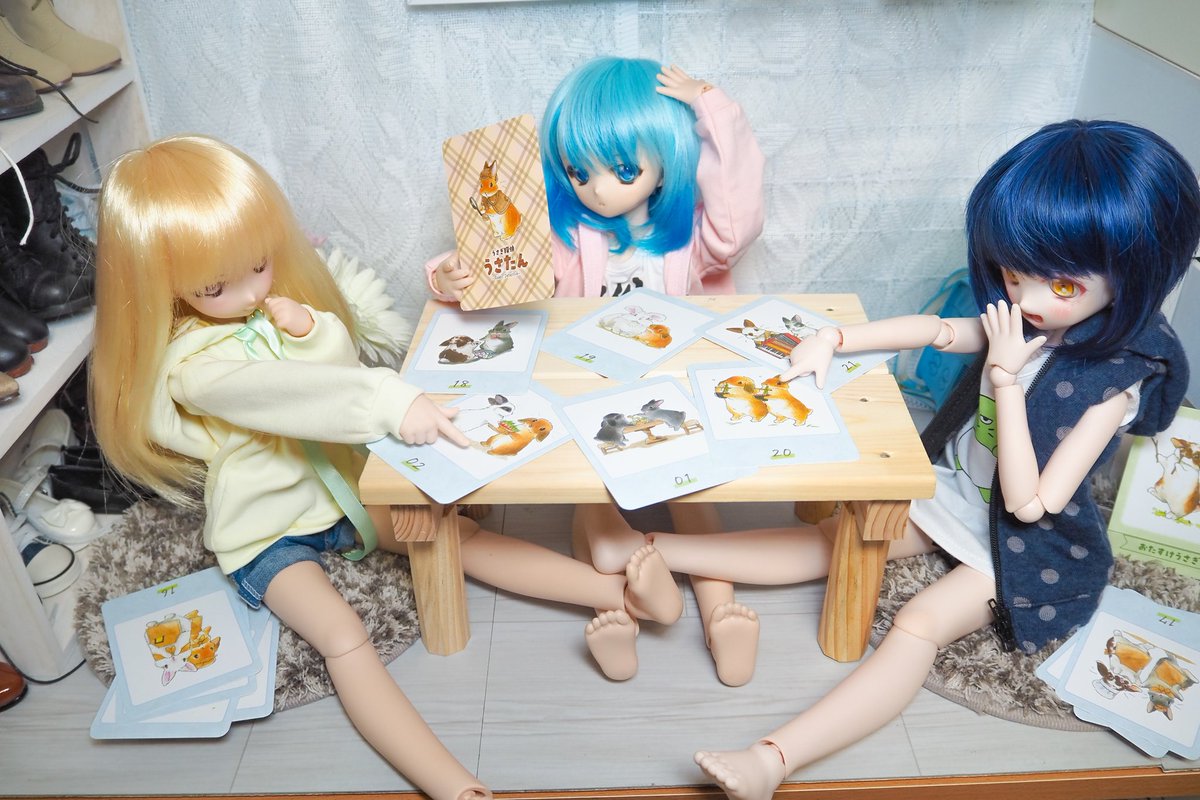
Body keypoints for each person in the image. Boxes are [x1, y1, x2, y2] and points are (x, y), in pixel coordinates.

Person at [89, 135, 685, 800]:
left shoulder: (264, 313)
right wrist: (390, 403)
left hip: (343, 492)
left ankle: (621, 597)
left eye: (259, 264)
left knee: (454, 536)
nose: (253, 289)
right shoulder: (194, 368)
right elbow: (289, 396)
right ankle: (451, 784)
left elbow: (333, 365)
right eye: (216, 285)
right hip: (267, 529)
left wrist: (309, 331)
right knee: (342, 635)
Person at [690, 119, 1199, 800]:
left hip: (1023, 547)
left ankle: (772, 760)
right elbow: (938, 330)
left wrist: (1007, 381)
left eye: (1061, 287)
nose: (1026, 299)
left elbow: (1032, 504)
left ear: (1135, 275)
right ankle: (660, 550)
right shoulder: (1023, 318)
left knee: (919, 623)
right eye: (1014, 274)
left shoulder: (1115, 385)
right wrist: (835, 339)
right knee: (841, 537)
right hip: (957, 490)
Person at [426, 56, 768, 685]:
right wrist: (450, 275)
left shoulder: (691, 236)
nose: (599, 190)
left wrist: (711, 107)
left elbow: (738, 215)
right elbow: (502, 263)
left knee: (692, 494)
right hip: (587, 395)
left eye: (624, 170)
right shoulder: (569, 234)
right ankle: (623, 606)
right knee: (593, 496)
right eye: (580, 172)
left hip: (670, 389)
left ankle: (721, 614)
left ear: (669, 158)